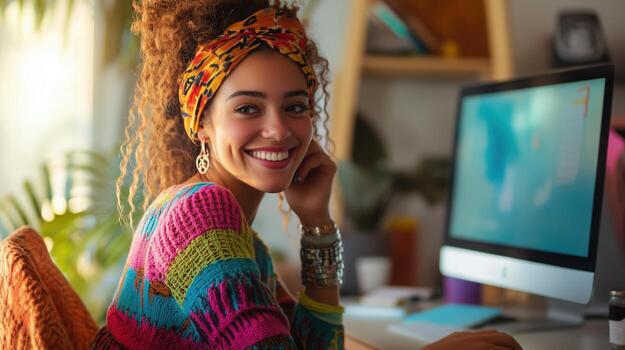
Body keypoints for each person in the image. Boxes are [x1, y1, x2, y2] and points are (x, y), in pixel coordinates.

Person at [92, 1, 523, 349]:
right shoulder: (199, 214)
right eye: (248, 108)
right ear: (201, 123)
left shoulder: (241, 239)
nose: (278, 129)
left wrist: (317, 223)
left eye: (295, 107)